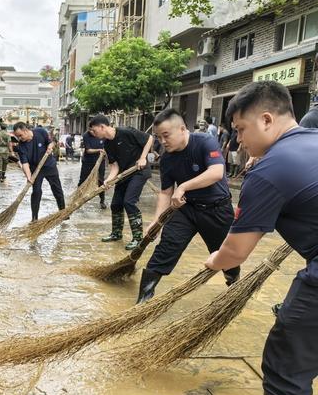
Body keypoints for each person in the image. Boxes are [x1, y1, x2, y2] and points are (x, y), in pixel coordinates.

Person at [205, 81, 317, 395]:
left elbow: (235, 251)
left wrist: (213, 262)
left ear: (267, 119)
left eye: (239, 130)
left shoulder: (270, 169)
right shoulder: (313, 142)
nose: (237, 142)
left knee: (286, 365)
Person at [135, 108, 240, 303]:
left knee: (226, 256)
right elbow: (166, 193)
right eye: (158, 137)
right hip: (186, 210)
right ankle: (143, 300)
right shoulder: (167, 158)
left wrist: (183, 186)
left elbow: (217, 171)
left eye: (166, 135)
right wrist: (156, 221)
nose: (163, 142)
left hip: (217, 210)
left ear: (182, 129)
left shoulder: (204, 141)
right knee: (165, 248)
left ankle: (234, 288)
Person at [89, 116, 154, 250]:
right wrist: (109, 180)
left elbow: (149, 138)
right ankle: (116, 233)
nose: (94, 134)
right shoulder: (107, 144)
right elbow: (114, 166)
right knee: (116, 204)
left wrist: (143, 158)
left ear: (102, 127)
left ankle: (138, 238)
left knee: (129, 202)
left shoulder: (126, 131)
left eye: (94, 131)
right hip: (124, 173)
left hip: (139, 171)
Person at [13, 122, 65, 221]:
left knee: (57, 189)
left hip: (49, 166)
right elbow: (25, 163)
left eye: (20, 135)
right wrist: (29, 177)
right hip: (35, 169)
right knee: (36, 192)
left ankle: (63, 213)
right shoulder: (21, 146)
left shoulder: (40, 132)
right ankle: (34, 218)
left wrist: (50, 146)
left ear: (26, 130)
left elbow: (50, 142)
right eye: (17, 136)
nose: (19, 138)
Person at [78, 118, 108, 209]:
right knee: (83, 180)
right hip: (88, 161)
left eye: (94, 130)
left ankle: (102, 201)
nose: (92, 132)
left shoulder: (103, 135)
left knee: (101, 181)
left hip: (100, 162)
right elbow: (88, 150)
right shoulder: (86, 136)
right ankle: (78, 199)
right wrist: (99, 150)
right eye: (90, 130)